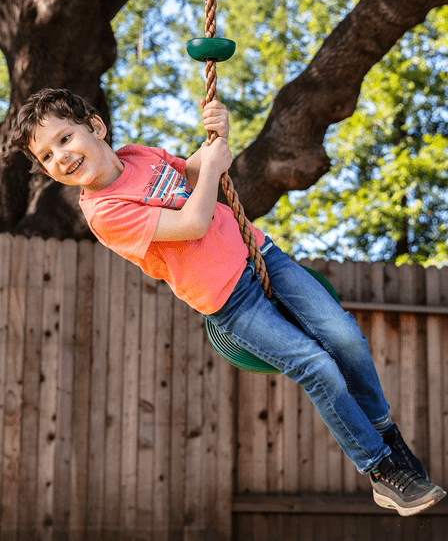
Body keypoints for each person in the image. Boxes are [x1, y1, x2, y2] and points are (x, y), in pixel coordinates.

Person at [12, 88, 446, 517]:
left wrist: (214, 139)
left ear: (96, 127)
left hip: (260, 254)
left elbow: (192, 173)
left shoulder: (138, 155)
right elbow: (193, 221)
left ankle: (386, 435)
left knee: (345, 336)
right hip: (229, 300)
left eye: (64, 139)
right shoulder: (105, 212)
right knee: (315, 366)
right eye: (47, 157)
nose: (60, 157)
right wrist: (214, 167)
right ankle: (379, 470)